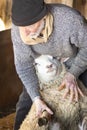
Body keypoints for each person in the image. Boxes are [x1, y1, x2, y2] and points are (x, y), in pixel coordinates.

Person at [11, 0, 87, 129]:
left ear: (44, 17)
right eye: (21, 27)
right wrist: (36, 98)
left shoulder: (70, 20)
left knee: (82, 96)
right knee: (25, 103)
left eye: (30, 26)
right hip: (42, 66)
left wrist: (73, 73)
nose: (26, 33)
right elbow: (24, 66)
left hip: (74, 59)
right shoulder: (18, 30)